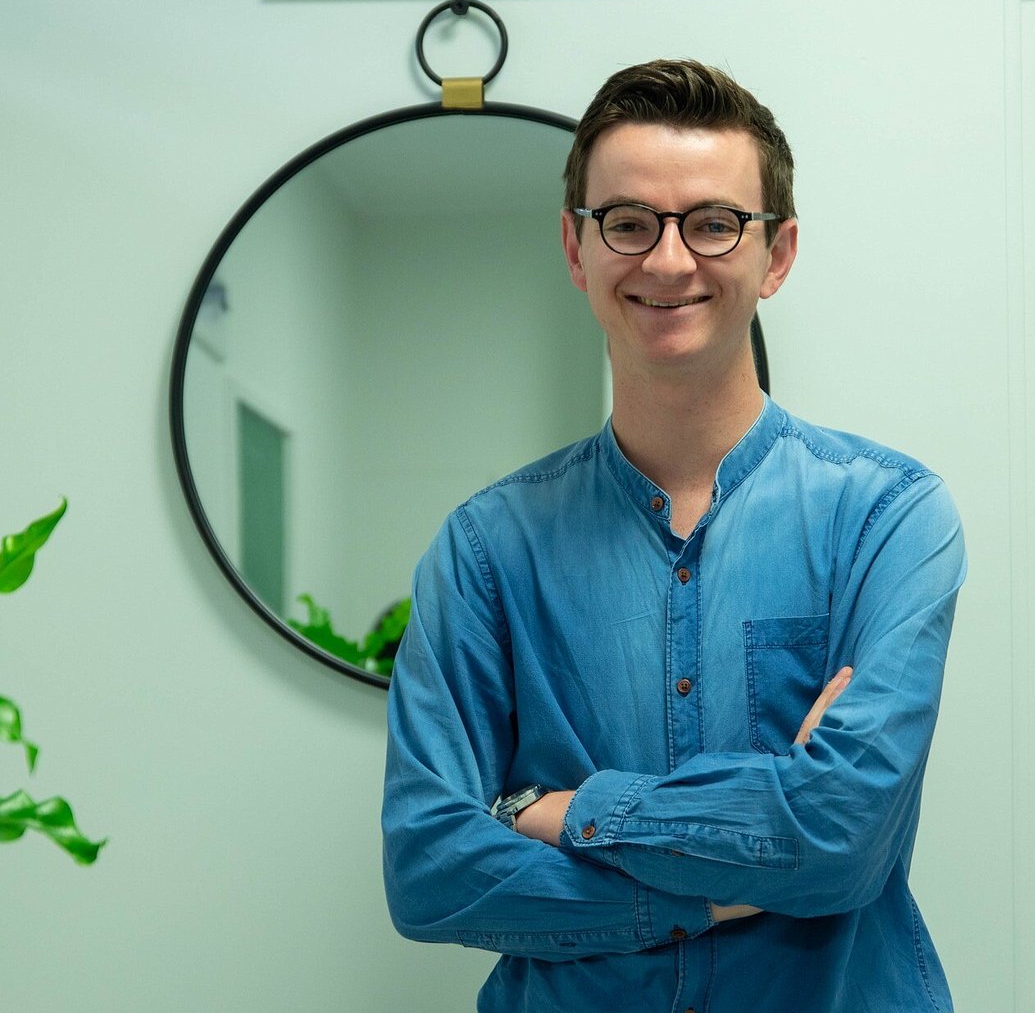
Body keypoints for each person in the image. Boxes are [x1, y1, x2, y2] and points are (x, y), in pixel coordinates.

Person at [382, 59, 966, 1012]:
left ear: (775, 254)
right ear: (576, 249)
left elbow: (841, 836)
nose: (665, 260)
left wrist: (563, 811)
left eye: (712, 222)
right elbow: (429, 867)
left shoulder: (887, 516)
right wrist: (714, 886)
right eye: (626, 221)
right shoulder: (485, 548)